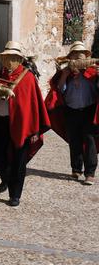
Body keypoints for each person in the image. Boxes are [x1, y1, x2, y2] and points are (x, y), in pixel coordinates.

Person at [0, 41, 50, 207]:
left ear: (19, 59)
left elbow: (33, 106)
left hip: (22, 126)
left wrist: (35, 130)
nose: (9, 61)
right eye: (6, 57)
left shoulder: (27, 79)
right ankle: (6, 178)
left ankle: (15, 195)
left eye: (12, 58)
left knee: (19, 160)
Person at [45, 41, 98, 185]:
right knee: (74, 140)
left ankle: (90, 173)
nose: (77, 59)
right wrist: (64, 75)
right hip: (70, 111)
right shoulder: (66, 73)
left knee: (90, 140)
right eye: (75, 56)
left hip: (89, 110)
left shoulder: (93, 72)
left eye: (80, 56)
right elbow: (60, 90)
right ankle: (76, 169)